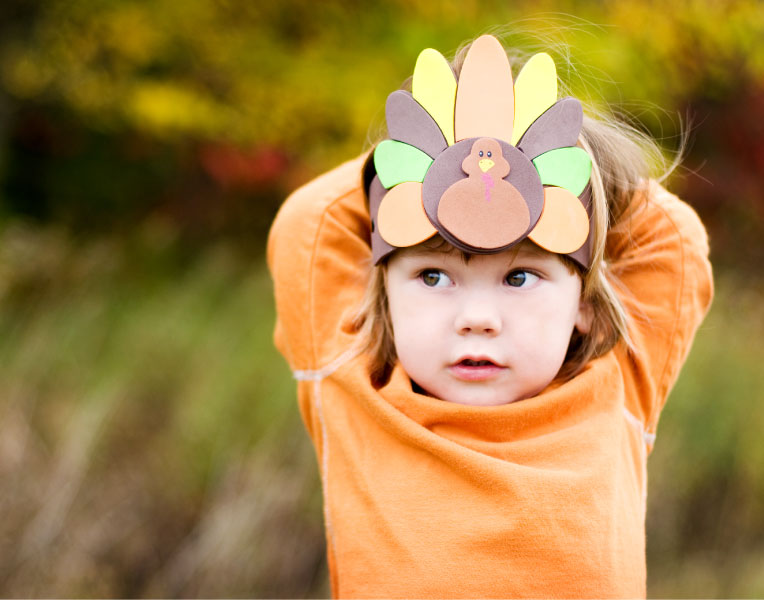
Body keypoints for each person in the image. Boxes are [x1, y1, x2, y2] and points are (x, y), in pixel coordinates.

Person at [267, 33, 713, 598]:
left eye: (519, 277)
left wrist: (543, 152)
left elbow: (671, 233)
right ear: (386, 293)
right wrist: (426, 150)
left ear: (587, 305)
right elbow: (309, 222)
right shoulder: (349, 382)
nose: (477, 319)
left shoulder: (621, 387)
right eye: (433, 276)